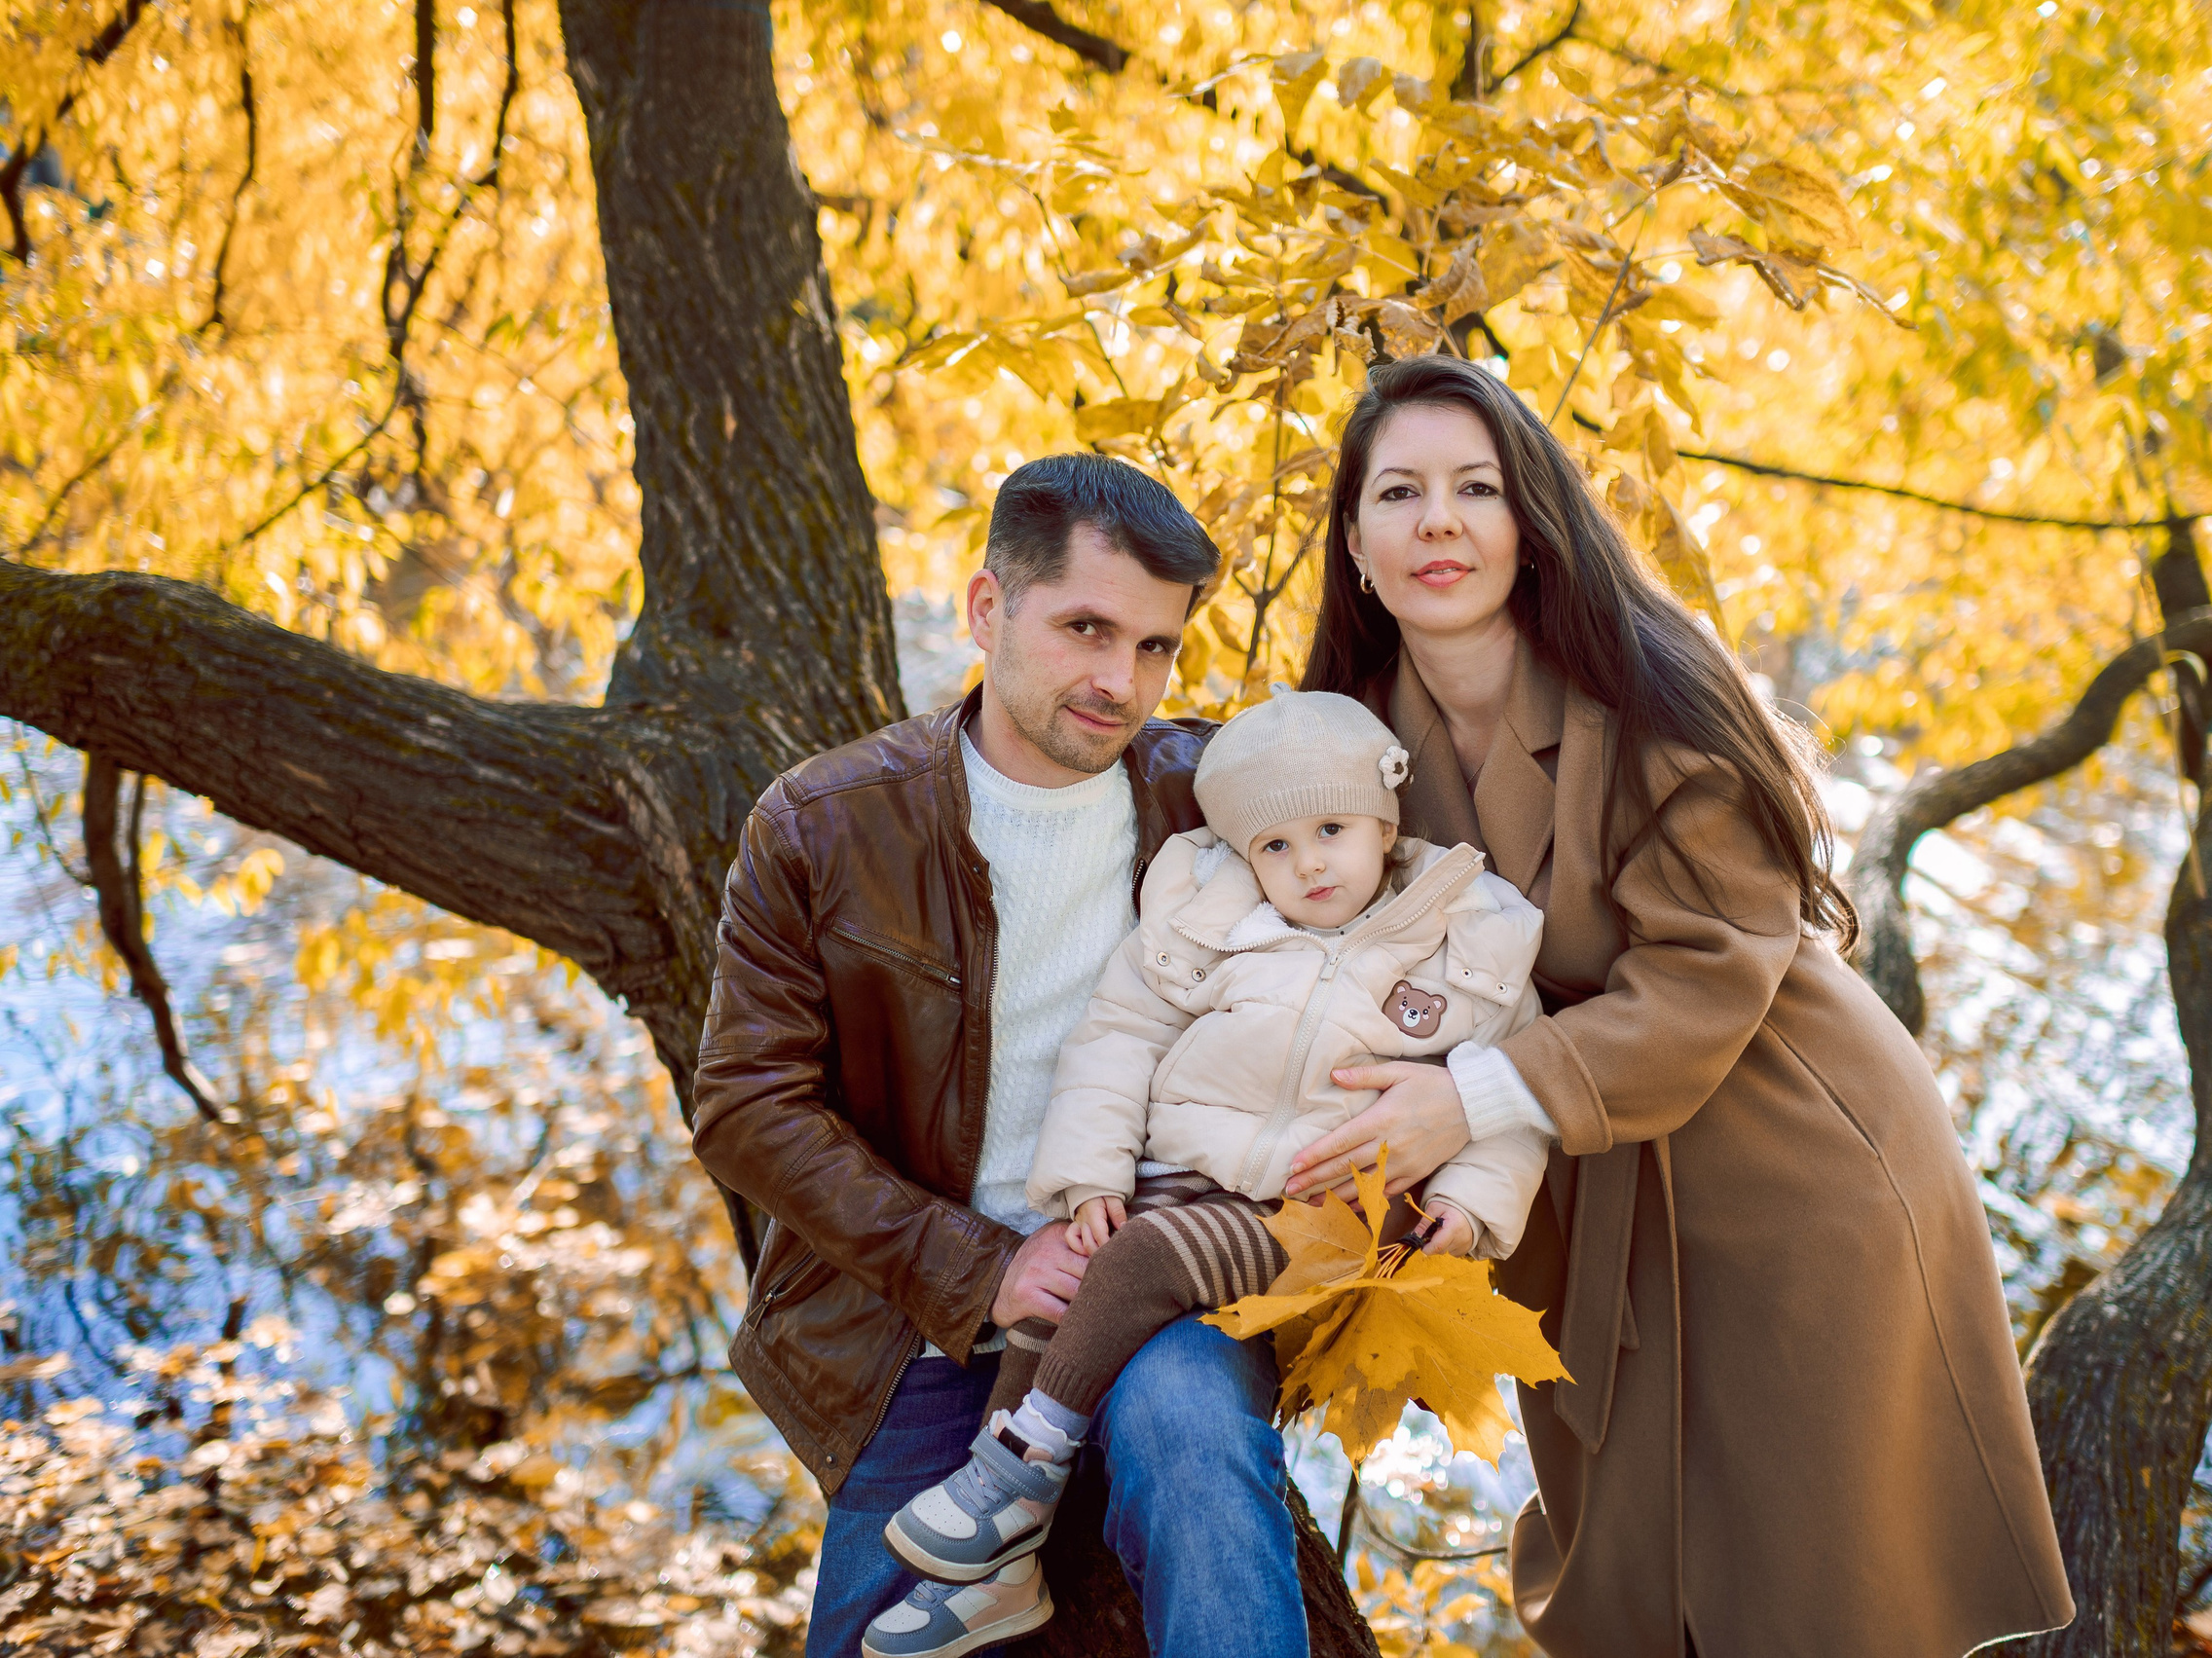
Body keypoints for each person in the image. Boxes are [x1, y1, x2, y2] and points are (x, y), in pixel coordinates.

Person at [1286, 354, 2079, 1658]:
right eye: (1401, 490)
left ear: (1533, 525)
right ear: (1356, 541)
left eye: (1476, 486)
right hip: (1574, 1181)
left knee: (1811, 1581)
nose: (1439, 518)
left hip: (1783, 1156)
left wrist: (1466, 1100)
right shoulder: (1347, 741)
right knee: (1637, 1582)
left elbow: (1706, 975)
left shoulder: (1650, 693)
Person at [691, 455, 1306, 1658]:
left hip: (1154, 1282)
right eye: (1086, 628)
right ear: (986, 609)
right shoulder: (823, 823)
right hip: (917, 1315)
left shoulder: (1212, 796)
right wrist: (981, 1267)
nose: (1118, 680)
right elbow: (743, 1103)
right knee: (873, 1639)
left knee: (1203, 1463)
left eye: (1154, 647)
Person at [872, 689, 1548, 1623]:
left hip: (1324, 1215)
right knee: (1062, 1280)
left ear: (1383, 824)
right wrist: (1092, 1175)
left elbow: (1510, 1103)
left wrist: (1470, 1209)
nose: (1307, 863)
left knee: (1142, 1260)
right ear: (1242, 854)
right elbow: (1117, 1037)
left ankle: (1019, 1473)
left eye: (1331, 829)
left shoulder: (1467, 936)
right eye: (1275, 846)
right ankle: (999, 1578)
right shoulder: (1210, 918)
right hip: (1184, 1182)